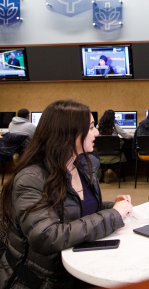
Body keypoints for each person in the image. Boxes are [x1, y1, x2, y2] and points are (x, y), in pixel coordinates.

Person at [0, 99, 132, 289]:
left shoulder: (83, 167)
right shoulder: (31, 178)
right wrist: (113, 215)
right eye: (91, 127)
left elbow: (78, 209)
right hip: (40, 280)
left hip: (77, 268)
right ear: (70, 134)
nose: (96, 132)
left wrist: (112, 206)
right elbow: (46, 236)